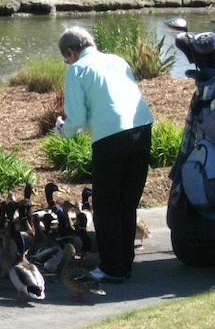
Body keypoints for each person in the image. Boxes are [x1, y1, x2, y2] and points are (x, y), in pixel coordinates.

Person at [55, 26, 154, 283]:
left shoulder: (77, 70)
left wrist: (62, 130)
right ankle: (124, 264)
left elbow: (76, 119)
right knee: (127, 201)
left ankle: (112, 267)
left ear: (71, 52)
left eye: (66, 58)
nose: (68, 61)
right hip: (142, 129)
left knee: (107, 204)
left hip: (111, 138)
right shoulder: (117, 60)